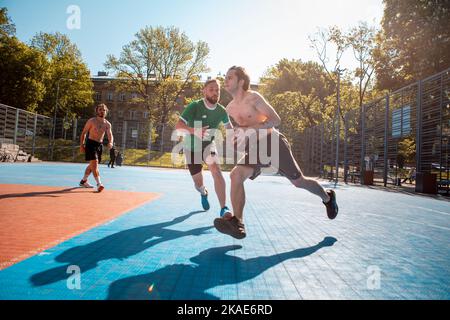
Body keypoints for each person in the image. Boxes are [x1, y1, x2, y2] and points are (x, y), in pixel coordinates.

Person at [213, 66, 339, 239]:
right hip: (255, 148)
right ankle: (238, 223)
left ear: (241, 81)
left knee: (299, 182)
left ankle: (327, 197)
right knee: (236, 175)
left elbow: (275, 120)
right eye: (225, 77)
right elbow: (239, 137)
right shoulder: (230, 109)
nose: (225, 81)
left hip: (273, 143)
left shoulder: (254, 98)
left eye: (229, 77)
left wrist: (251, 128)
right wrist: (236, 142)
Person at [175, 79, 233, 218]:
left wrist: (237, 137)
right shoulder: (194, 106)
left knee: (216, 170)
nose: (215, 93)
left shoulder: (221, 110)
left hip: (208, 145)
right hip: (191, 148)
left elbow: (229, 128)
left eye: (217, 90)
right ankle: (203, 192)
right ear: (204, 91)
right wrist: (193, 130)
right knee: (198, 183)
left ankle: (223, 208)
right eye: (211, 89)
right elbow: (178, 125)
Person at [79, 103, 114, 192]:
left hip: (99, 145)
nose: (102, 111)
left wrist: (110, 142)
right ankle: (99, 184)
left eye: (104, 110)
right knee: (95, 164)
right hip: (90, 143)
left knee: (92, 165)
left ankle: (83, 181)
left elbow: (110, 135)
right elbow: (84, 133)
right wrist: (82, 145)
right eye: (100, 110)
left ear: (106, 112)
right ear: (97, 111)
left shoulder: (107, 124)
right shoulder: (91, 121)